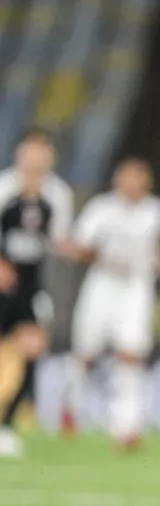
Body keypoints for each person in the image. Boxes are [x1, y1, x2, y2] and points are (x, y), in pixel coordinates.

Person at [58, 157, 160, 450]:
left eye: (139, 178)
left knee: (131, 354)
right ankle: (70, 404)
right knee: (86, 353)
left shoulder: (156, 210)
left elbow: (154, 249)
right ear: (117, 181)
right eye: (128, 177)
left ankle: (126, 426)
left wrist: (157, 260)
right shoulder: (101, 209)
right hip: (102, 284)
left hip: (136, 287)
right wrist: (100, 256)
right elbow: (80, 247)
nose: (133, 184)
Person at [0, 128, 73, 457]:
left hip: (31, 284)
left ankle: (5, 424)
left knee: (31, 349)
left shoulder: (57, 194)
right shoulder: (4, 188)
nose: (35, 158)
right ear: (19, 154)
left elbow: (58, 241)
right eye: (30, 150)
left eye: (41, 151)